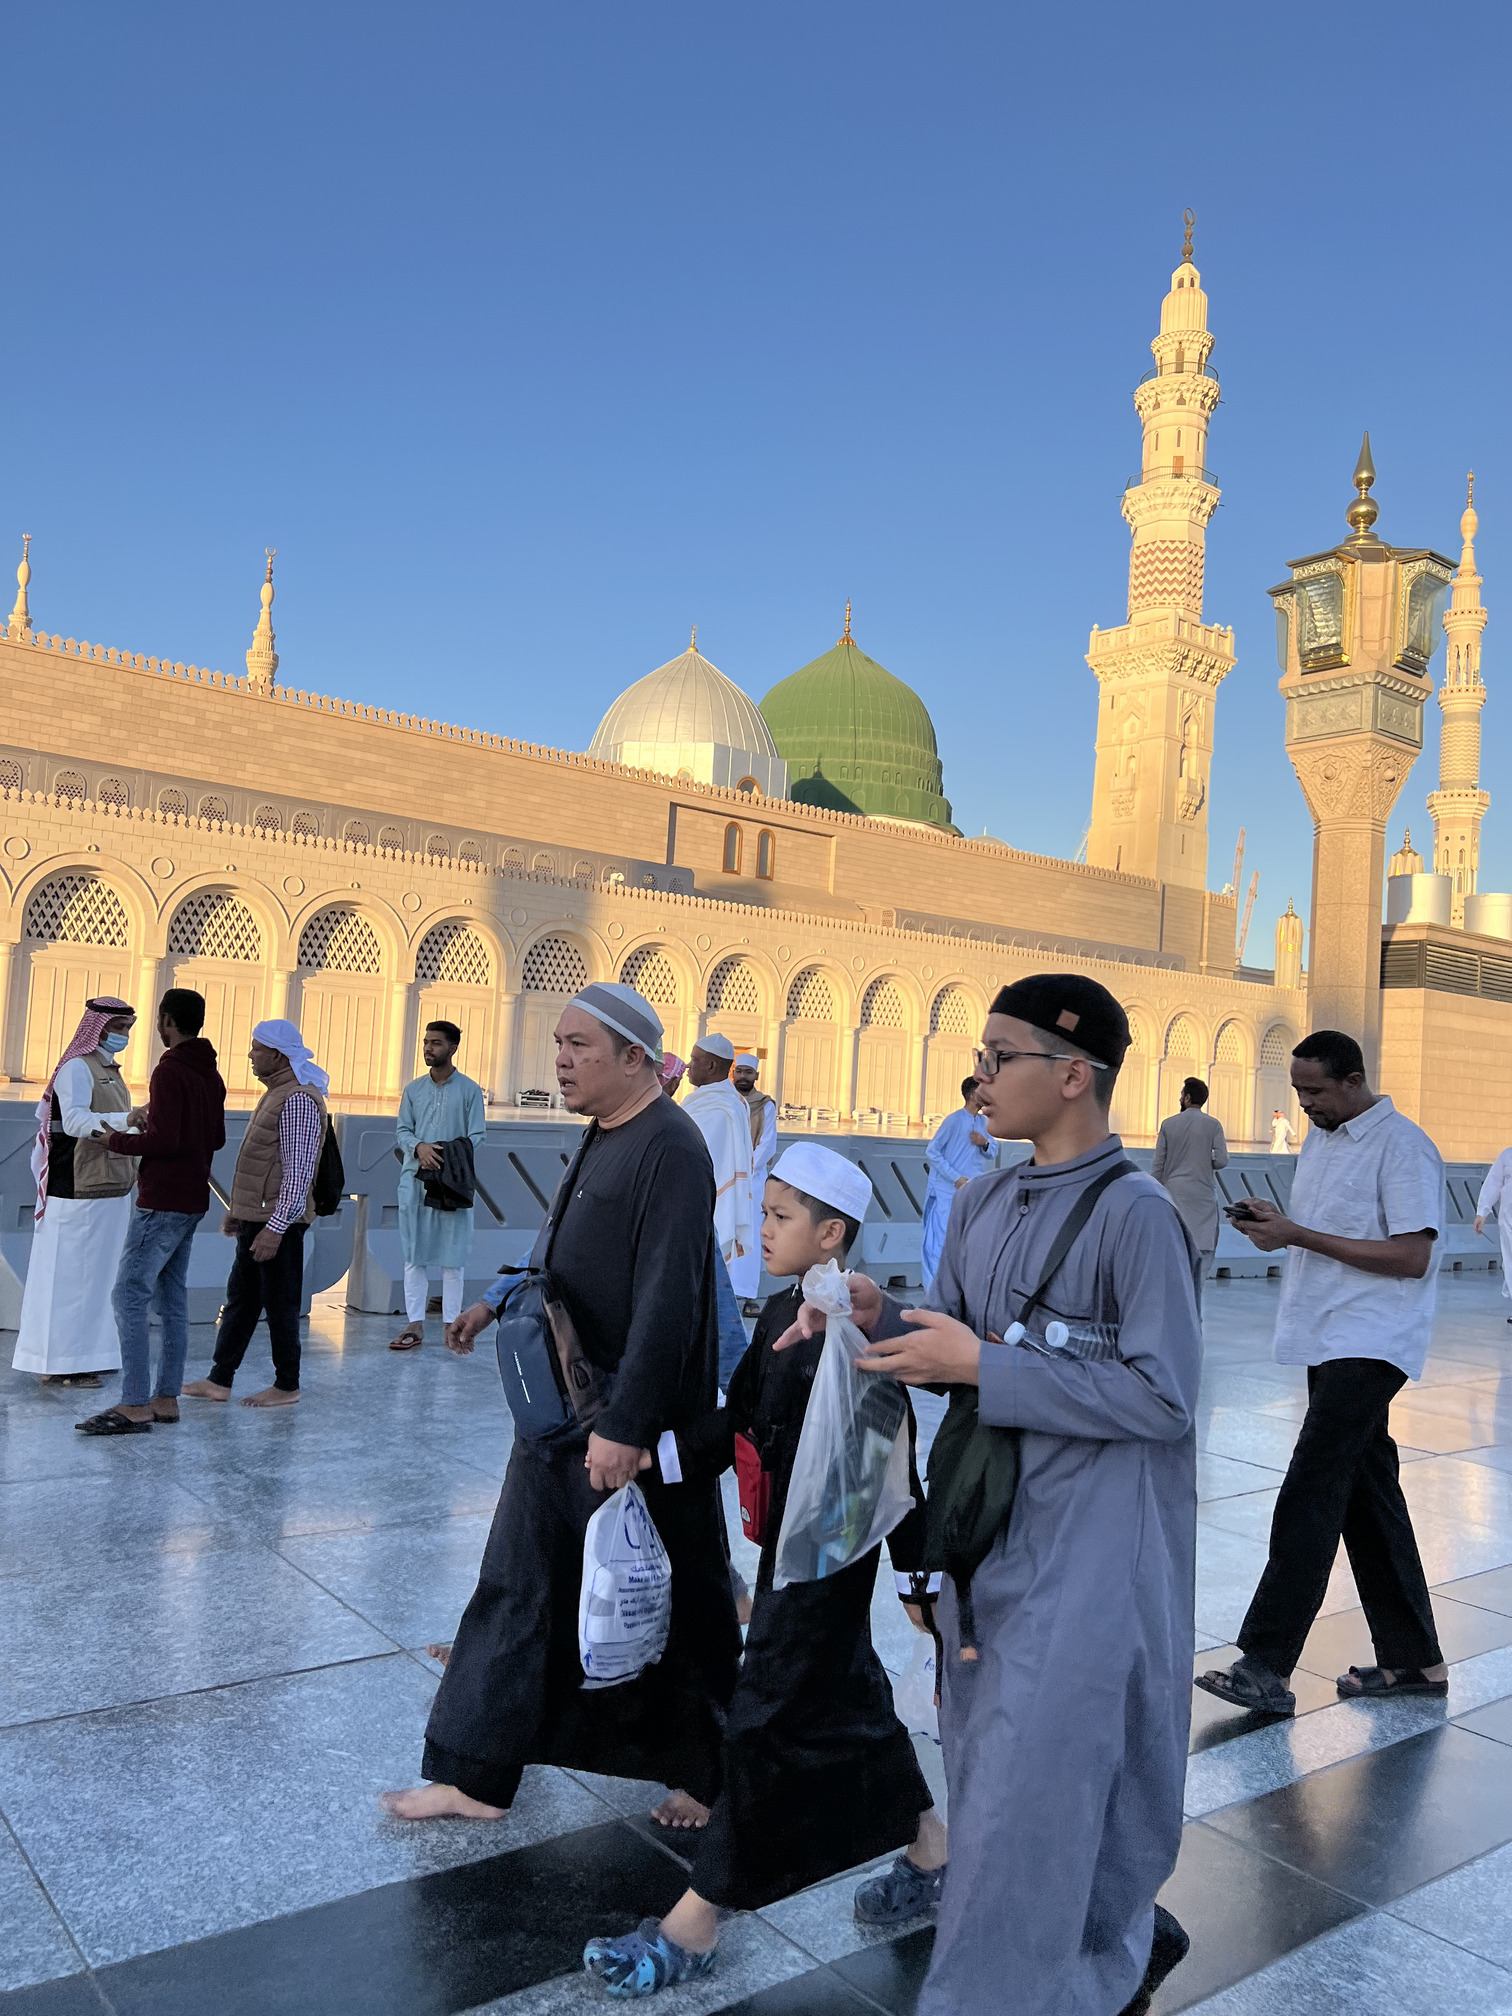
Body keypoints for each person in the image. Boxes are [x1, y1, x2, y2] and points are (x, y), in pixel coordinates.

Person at [786, 975, 1199, 2016]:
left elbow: (1163, 1399)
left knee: (1040, 1779)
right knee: (991, 1770)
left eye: (1000, 1057)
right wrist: (877, 1315)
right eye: (979, 1056)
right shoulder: (981, 1201)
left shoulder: (1138, 1216)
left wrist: (988, 1365)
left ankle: (1024, 1984)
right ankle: (1095, 1955)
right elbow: (955, 1344)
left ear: (1074, 1075)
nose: (979, 1078)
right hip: (989, 1539)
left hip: (1094, 1545)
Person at [582, 1143, 943, 2000]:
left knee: (762, 1724)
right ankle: (936, 1850)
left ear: (832, 1235)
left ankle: (695, 1923)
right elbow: (738, 1417)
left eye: (781, 1217)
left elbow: (889, 1461)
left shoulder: (847, 1333)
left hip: (823, 1563)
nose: (763, 1229)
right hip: (785, 1550)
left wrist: (914, 1576)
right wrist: (655, 1457)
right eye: (765, 1212)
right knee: (851, 1702)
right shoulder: (784, 1307)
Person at [379, 981, 740, 1828]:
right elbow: (557, 1254)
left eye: (581, 1046)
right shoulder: (603, 1132)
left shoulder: (672, 1148)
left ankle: (710, 1771)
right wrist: (494, 1302)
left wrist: (627, 1426)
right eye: (559, 1044)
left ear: (636, 1058)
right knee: (517, 1583)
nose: (562, 1060)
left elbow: (670, 1301)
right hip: (560, 1417)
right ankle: (475, 1773)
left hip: (627, 1425)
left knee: (684, 1602)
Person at [1197, 1029, 1448, 1717]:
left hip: (1373, 1339)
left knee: (1311, 1487)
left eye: (1315, 1091)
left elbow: (1411, 1257)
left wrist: (1298, 1234)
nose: (1304, 1104)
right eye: (1298, 1091)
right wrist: (1278, 1224)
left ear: (1353, 1080)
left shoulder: (1403, 1147)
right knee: (1368, 1497)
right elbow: (1326, 1233)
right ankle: (1414, 1660)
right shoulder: (1323, 1142)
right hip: (1328, 1334)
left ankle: (1265, 1663)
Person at [74, 990, 227, 1435]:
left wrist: (114, 1140)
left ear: (167, 1020)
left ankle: (135, 1402)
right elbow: (214, 1138)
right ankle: (165, 1397)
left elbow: (165, 1142)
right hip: (191, 1200)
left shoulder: (170, 1069)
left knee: (128, 1294)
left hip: (161, 1200)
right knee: (172, 1298)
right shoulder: (210, 1073)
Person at [182, 1020, 328, 1410]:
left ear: (277, 1056)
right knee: (242, 1301)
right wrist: (240, 1212)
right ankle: (219, 1379)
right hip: (258, 1217)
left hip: (278, 1222)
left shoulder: (297, 1100)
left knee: (280, 1305)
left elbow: (298, 1172)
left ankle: (287, 1384)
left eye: (257, 1048)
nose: (251, 1055)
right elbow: (262, 1164)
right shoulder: (277, 1094)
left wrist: (275, 1228)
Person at [11, 996, 139, 1389]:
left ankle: (90, 1357)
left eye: (127, 1029)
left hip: (109, 1186)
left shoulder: (109, 1070)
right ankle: (60, 1363)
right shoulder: (76, 1068)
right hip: (75, 1187)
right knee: (67, 1278)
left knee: (100, 1277)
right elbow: (76, 1120)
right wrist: (128, 1120)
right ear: (97, 1028)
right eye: (118, 1028)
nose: (124, 1036)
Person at [389, 1020, 487, 1351]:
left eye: (436, 1043)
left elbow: (477, 1136)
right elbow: (403, 1130)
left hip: (452, 1185)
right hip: (415, 1183)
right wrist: (419, 1147)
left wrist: (445, 1155)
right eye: (426, 1042)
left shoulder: (469, 1090)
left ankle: (451, 1325)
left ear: (453, 1048)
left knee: (452, 1257)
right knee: (413, 1255)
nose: (428, 1048)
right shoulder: (413, 1090)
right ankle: (415, 1324)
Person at [681, 1033, 758, 1382]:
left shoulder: (719, 1109)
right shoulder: (715, 1101)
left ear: (712, 1065)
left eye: (695, 1060)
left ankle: (724, 1374)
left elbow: (692, 1159)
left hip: (705, 1211)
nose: (689, 1066)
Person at [1151, 1075, 1229, 1309]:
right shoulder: (1213, 1125)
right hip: (1203, 1196)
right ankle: (1194, 1310)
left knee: (1175, 1253)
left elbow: (1158, 1166)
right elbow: (1222, 1160)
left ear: (1186, 1098)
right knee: (1201, 1258)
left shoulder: (1168, 1124)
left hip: (1173, 1194)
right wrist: (1206, 1160)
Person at [920, 1076, 996, 1289]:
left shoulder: (984, 1123)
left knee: (968, 1238)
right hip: (947, 1191)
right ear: (972, 1095)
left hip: (973, 1190)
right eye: (981, 1091)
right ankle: (934, 1290)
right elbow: (932, 1151)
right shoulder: (953, 1121)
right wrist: (955, 1178)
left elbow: (993, 1151)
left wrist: (984, 1142)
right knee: (941, 1240)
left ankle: (960, 1288)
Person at [731, 1049, 777, 1211]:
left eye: (748, 1072)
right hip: (724, 1173)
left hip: (753, 1176)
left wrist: (745, 1169)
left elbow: (768, 1145)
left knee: (752, 1219)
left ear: (756, 1076)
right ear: (733, 1074)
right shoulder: (725, 1100)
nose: (743, 1076)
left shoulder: (765, 1105)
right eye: (739, 1071)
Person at [1473, 1147, 1512, 1320]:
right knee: (1510, 1262)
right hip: (1509, 1221)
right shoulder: (1507, 1155)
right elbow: (1494, 1183)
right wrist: (1482, 1212)